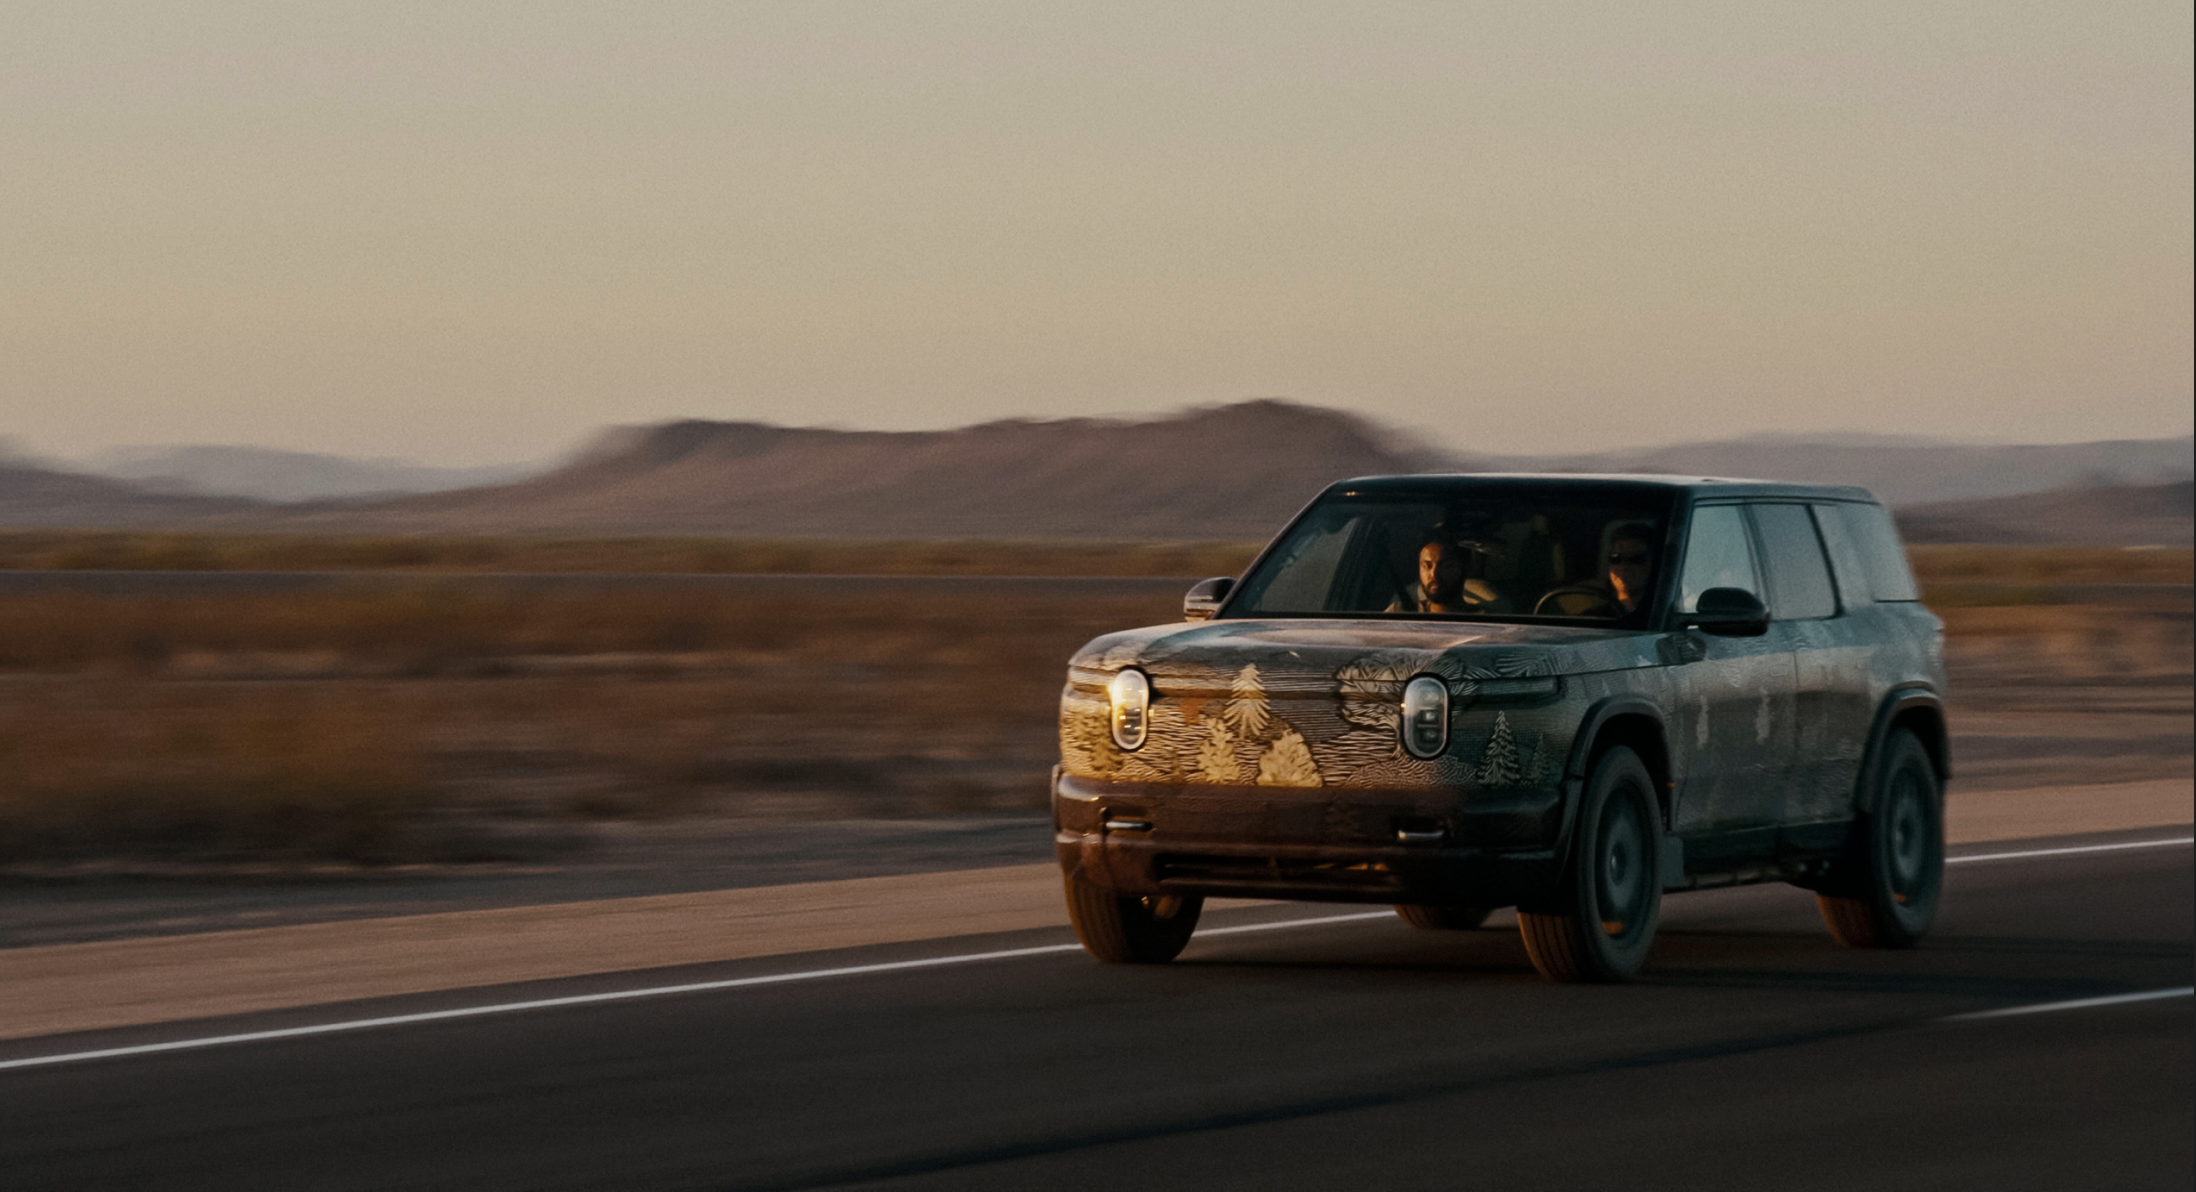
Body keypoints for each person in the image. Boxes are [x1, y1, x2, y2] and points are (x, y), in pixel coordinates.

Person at [1387, 536, 1507, 614]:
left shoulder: (1490, 621)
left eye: (1446, 566)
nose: (1434, 574)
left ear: (1464, 568)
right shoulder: (1398, 613)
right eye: (1427, 566)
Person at [1603, 525, 1657, 615]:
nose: (1624, 566)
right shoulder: (1595, 616)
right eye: (1616, 559)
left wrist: (1626, 600)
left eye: (1636, 559)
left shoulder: (1662, 615)